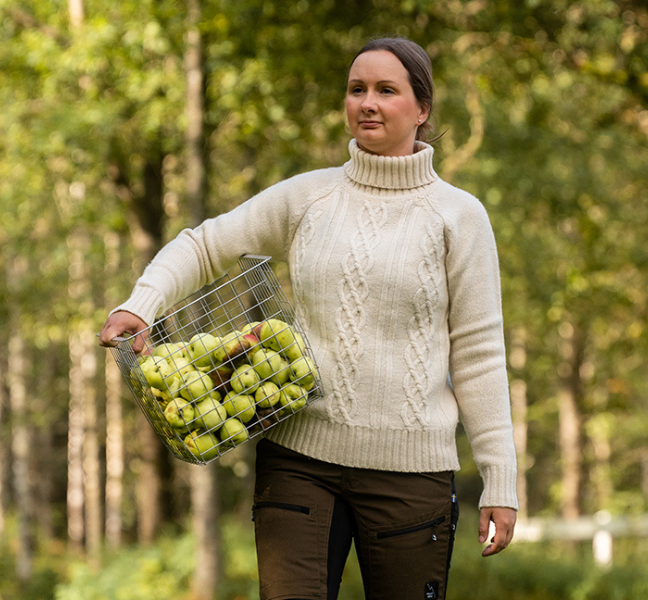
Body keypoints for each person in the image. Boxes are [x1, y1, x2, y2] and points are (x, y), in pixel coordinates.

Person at [99, 37, 518, 600]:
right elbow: (203, 245)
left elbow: (479, 352)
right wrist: (139, 304)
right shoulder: (309, 198)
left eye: (386, 91)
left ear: (422, 109)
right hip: (299, 462)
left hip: (410, 476)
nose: (367, 102)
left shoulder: (459, 217)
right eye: (356, 89)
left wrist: (501, 478)